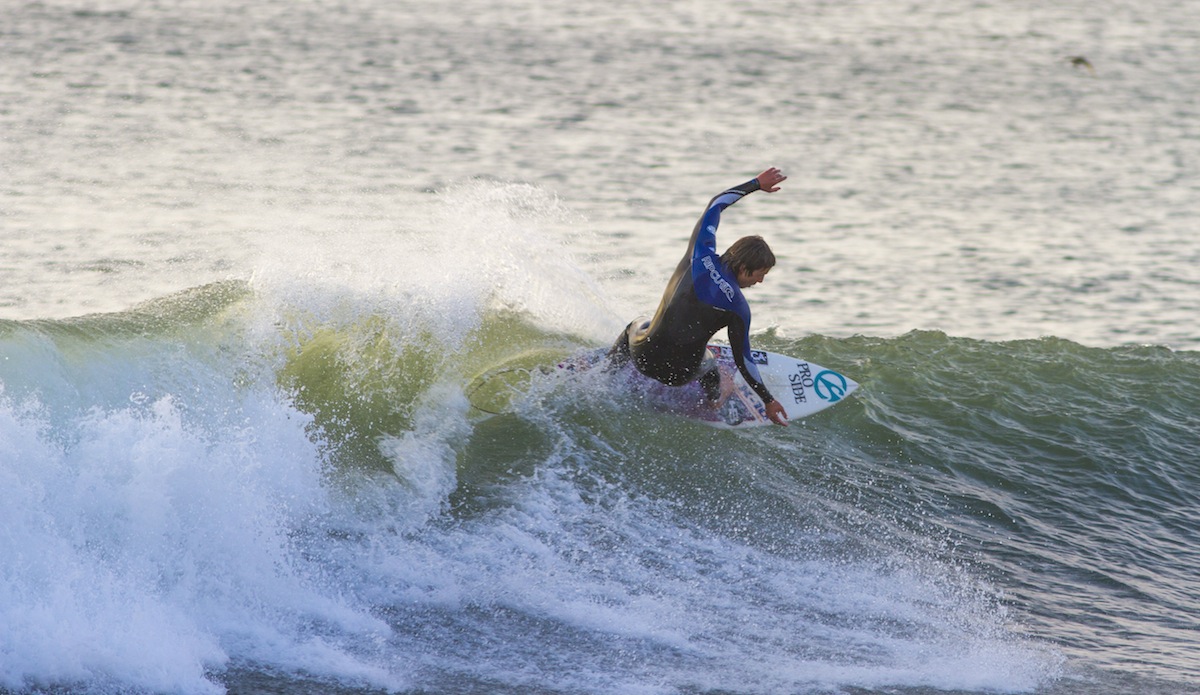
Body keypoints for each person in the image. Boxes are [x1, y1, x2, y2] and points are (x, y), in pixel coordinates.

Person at [608, 167, 790, 426]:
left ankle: (607, 369)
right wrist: (768, 401)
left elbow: (716, 204)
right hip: (679, 375)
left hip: (643, 356)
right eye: (758, 274)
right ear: (743, 268)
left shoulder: (699, 254)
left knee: (635, 325)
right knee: (712, 363)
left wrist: (756, 184)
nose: (760, 281)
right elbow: (744, 360)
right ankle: (717, 397)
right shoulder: (737, 307)